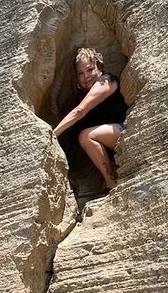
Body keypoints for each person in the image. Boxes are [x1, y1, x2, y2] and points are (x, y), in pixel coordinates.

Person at [53, 48, 128, 191]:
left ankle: (111, 184)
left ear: (100, 68)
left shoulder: (106, 82)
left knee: (86, 136)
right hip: (110, 139)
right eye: (80, 73)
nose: (86, 76)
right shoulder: (82, 96)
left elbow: (80, 111)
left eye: (90, 69)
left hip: (124, 130)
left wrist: (53, 134)